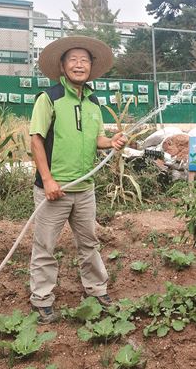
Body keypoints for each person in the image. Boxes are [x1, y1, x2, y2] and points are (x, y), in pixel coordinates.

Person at [29, 35, 126, 324]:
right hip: (54, 189)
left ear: (91, 67)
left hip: (84, 188)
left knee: (89, 242)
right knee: (45, 246)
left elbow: (94, 138)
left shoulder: (94, 103)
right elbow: (36, 140)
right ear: (62, 65)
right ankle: (42, 299)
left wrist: (111, 142)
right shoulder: (50, 99)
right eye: (73, 59)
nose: (79, 65)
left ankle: (96, 289)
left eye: (84, 60)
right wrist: (47, 180)